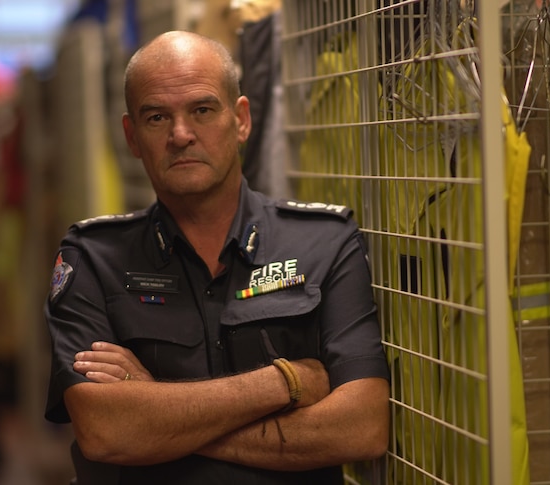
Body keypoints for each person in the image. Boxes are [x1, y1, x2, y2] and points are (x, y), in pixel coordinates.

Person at [43, 30, 391, 484]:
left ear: (241, 120)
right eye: (156, 118)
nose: (181, 135)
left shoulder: (323, 244)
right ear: (132, 136)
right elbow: (106, 431)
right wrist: (284, 383)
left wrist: (157, 420)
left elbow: (361, 429)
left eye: (202, 110)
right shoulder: (92, 258)